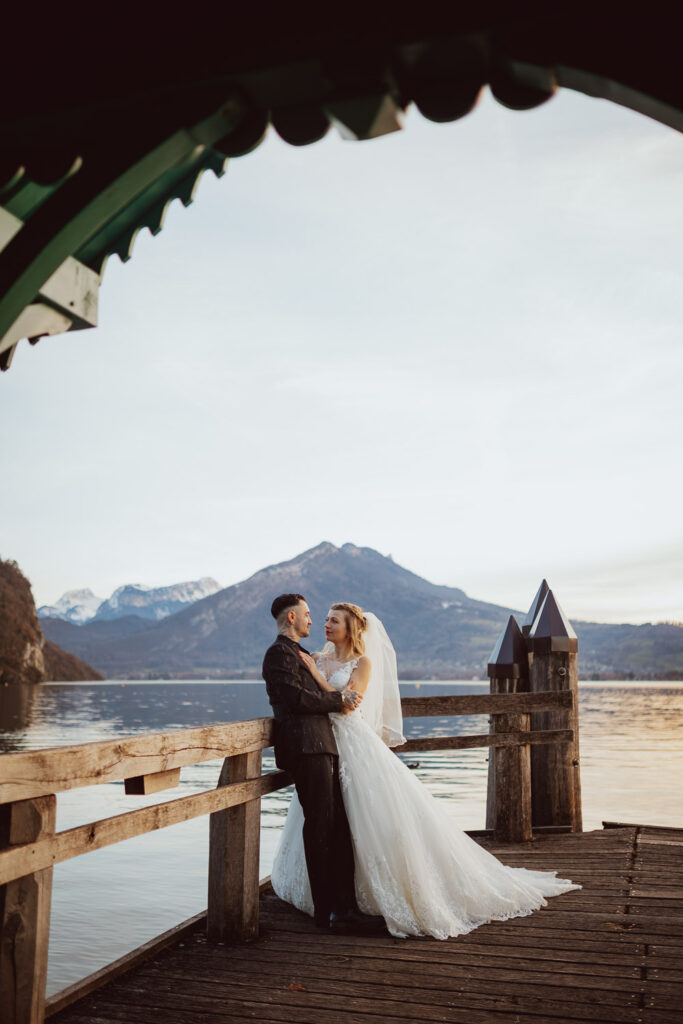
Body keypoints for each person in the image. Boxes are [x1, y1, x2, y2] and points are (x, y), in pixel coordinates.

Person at [271, 601, 581, 940]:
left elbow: (349, 705)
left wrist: (317, 677)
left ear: (351, 628)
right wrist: (314, 673)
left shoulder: (362, 663)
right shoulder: (314, 656)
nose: (325, 625)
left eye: (333, 621)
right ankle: (331, 902)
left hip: (354, 745)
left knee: (368, 820)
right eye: (325, 619)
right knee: (329, 822)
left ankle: (366, 899)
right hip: (323, 747)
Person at [262, 593, 385, 933]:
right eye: (308, 615)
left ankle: (345, 908)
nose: (314, 621)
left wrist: (333, 696)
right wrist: (337, 698)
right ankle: (328, 913)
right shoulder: (279, 654)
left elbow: (316, 696)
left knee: (337, 828)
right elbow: (296, 699)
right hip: (305, 747)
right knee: (320, 828)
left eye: (327, 618)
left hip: (324, 745)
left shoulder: (302, 654)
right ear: (292, 618)